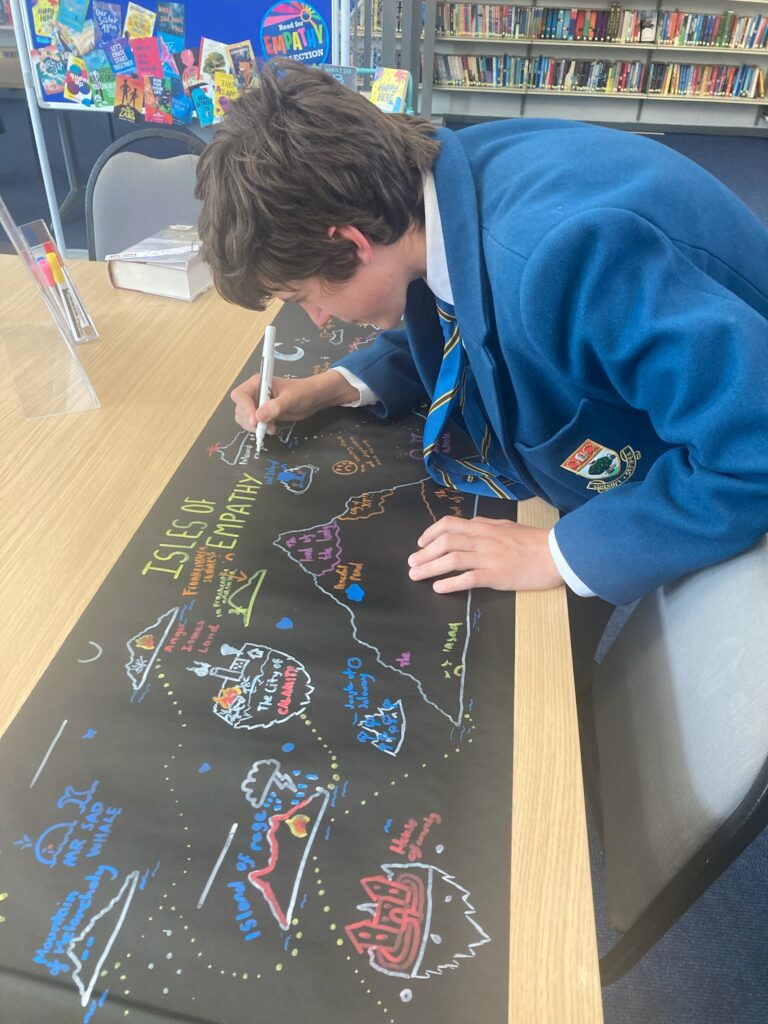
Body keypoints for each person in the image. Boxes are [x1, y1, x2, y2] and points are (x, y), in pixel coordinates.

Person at [195, 59, 768, 609]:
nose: (317, 318)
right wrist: (336, 385)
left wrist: (558, 551)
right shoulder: (434, 189)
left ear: (351, 245)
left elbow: (754, 449)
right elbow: (462, 310)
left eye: (306, 296)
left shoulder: (564, 262)